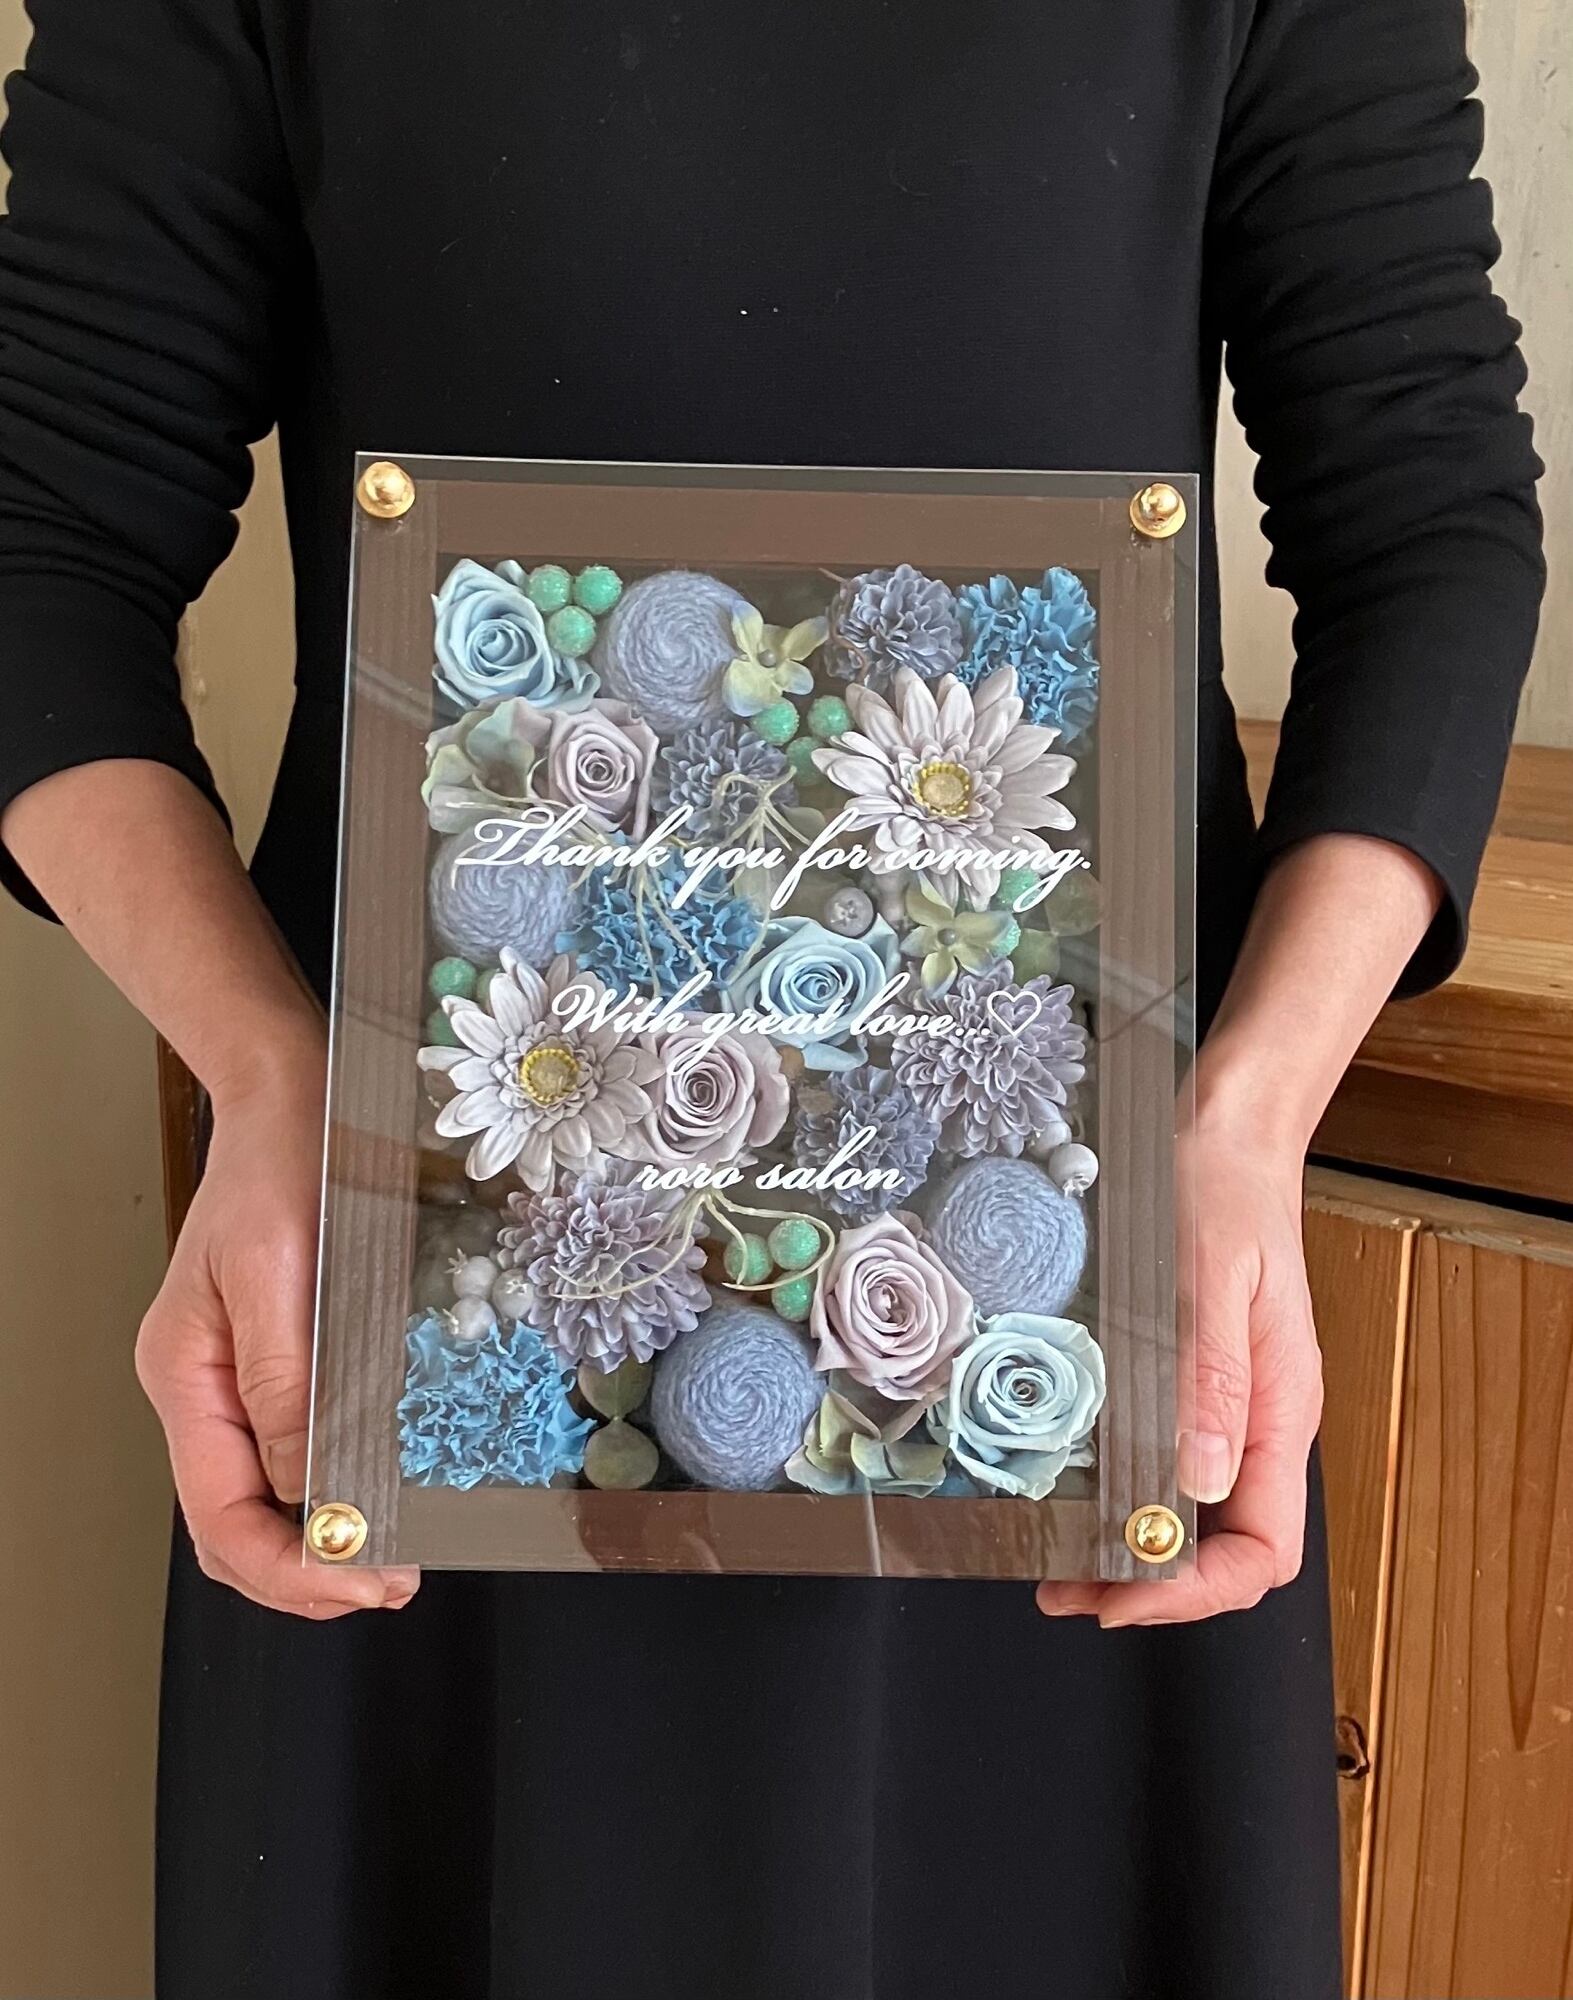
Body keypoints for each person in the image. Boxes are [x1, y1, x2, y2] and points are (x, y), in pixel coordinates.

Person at [0, 1, 1542, 1995]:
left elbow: (1423, 515)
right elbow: (41, 543)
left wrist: (1241, 1127)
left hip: (1087, 1288)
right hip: (425, 1275)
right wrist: (269, 1079)